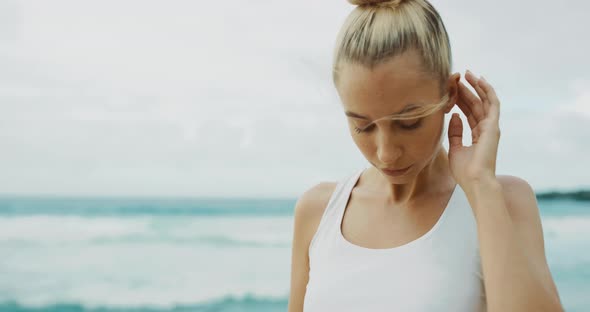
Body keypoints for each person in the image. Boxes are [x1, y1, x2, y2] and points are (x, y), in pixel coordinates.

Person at [287, 0, 564, 311]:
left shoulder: (505, 201)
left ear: (449, 94)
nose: (386, 153)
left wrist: (481, 187)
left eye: (409, 123)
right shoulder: (317, 211)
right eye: (363, 126)